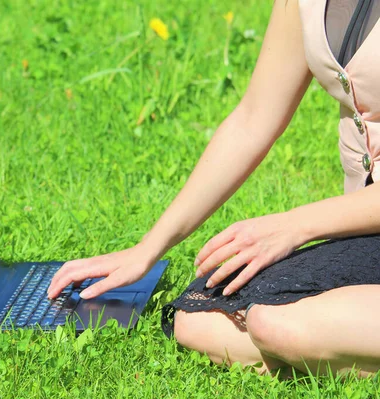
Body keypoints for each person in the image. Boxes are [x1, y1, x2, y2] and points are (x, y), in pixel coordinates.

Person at [47, 0, 380, 376]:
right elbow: (253, 119)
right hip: (364, 227)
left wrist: (293, 226)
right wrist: (147, 248)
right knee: (197, 319)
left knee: (277, 326)